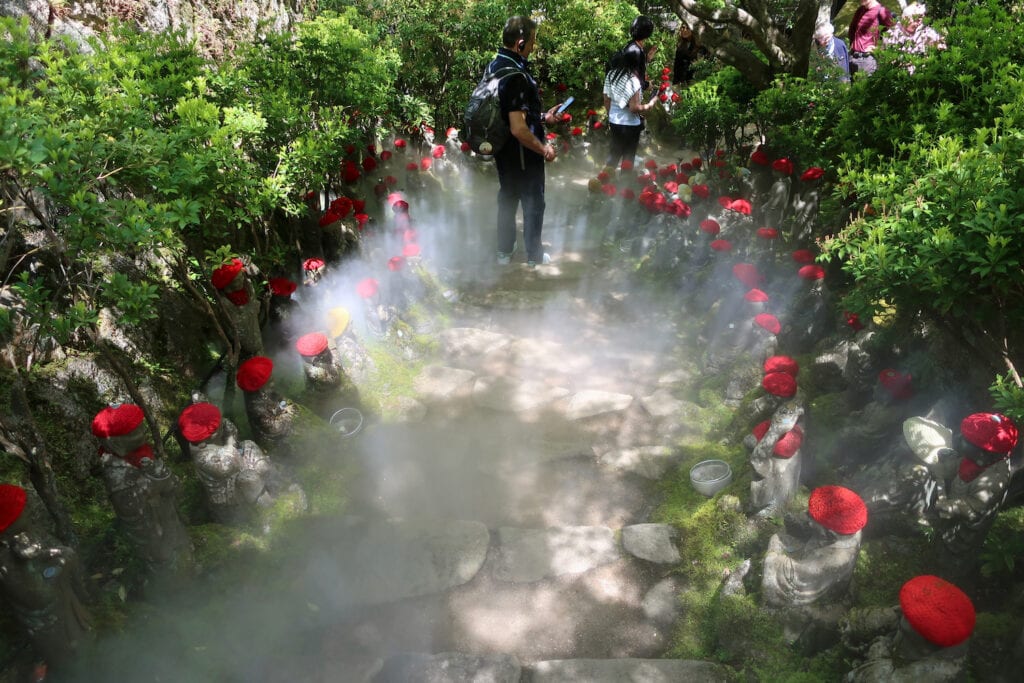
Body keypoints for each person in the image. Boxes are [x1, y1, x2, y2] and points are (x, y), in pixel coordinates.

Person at [489, 16, 561, 268]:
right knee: (533, 202)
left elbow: (508, 112)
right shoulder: (517, 76)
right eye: (531, 42)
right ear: (520, 43)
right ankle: (534, 257)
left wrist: (542, 117)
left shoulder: (495, 65)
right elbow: (519, 128)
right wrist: (545, 149)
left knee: (507, 198)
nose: (533, 46)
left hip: (502, 150)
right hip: (522, 153)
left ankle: (504, 251)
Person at [602, 37, 659, 171]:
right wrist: (651, 103)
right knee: (628, 156)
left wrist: (611, 115)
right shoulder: (633, 80)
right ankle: (625, 185)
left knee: (614, 154)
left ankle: (604, 182)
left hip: (614, 121)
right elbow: (634, 108)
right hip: (630, 125)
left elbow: (606, 100)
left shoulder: (610, 75)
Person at [883, 3, 945, 73]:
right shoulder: (891, 35)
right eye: (916, 20)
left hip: (925, 76)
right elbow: (891, 62)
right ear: (905, 18)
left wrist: (939, 44)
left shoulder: (924, 30)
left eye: (921, 19)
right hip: (901, 77)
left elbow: (940, 43)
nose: (919, 23)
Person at [848, 0, 895, 76]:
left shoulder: (881, 11)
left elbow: (894, 33)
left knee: (865, 87)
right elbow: (852, 30)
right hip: (852, 57)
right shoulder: (860, 10)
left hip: (867, 59)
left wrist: (879, 49)